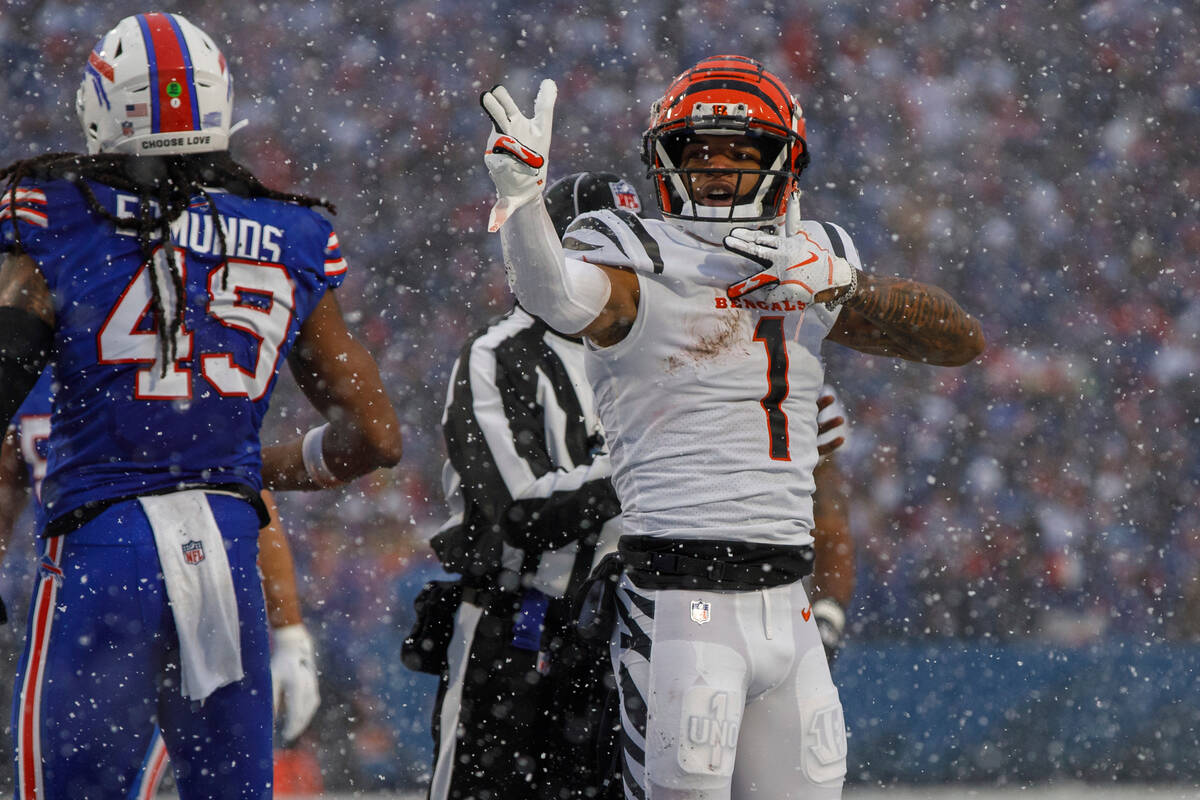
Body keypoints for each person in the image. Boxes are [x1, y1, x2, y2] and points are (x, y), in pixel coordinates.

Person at [479, 54, 985, 799]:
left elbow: (958, 341)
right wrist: (522, 205)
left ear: (781, 162)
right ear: (663, 162)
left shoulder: (818, 257)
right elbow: (553, 292)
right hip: (682, 596)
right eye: (696, 150)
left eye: (738, 152)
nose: (715, 169)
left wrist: (839, 284)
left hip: (790, 599)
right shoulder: (638, 252)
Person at [0, 12, 401, 799]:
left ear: (102, 107)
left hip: (103, 551)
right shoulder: (290, 231)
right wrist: (256, 466)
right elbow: (378, 439)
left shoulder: (54, 214)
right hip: (225, 553)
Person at [419, 172, 638, 800]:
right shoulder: (499, 354)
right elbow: (519, 511)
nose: (624, 274)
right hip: (518, 630)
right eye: (602, 251)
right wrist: (646, 465)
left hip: (625, 630)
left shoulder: (651, 352)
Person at [0, 370, 322, 797]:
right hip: (87, 592)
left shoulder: (140, 364)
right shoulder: (29, 368)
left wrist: (290, 630)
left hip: (148, 583)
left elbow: (241, 487)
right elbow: (5, 485)